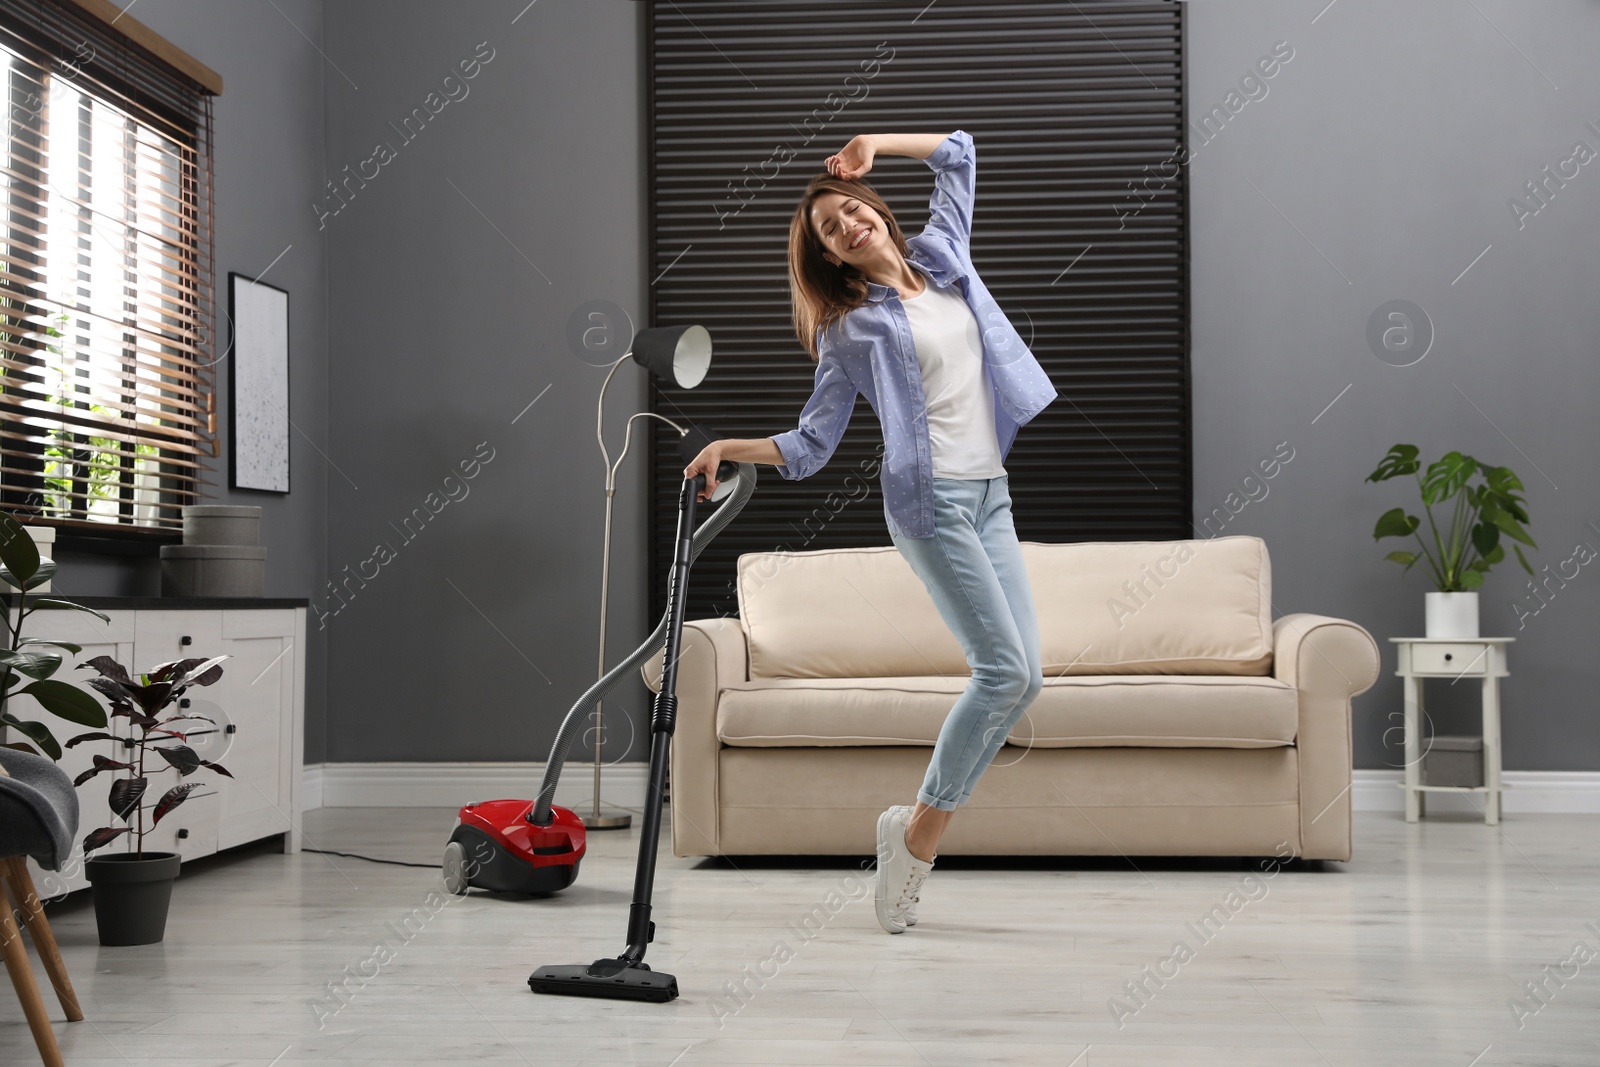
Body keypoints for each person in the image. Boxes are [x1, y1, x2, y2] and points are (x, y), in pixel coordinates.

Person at [683, 130, 1056, 934]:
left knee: (1025, 678)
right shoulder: (852, 330)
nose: (848, 224)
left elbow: (961, 153)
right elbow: (812, 445)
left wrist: (875, 144)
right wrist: (726, 447)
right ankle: (918, 841)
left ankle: (907, 830)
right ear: (833, 259)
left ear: (877, 212)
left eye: (852, 210)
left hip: (992, 494)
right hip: (932, 507)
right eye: (830, 230)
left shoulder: (944, 255)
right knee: (1002, 672)